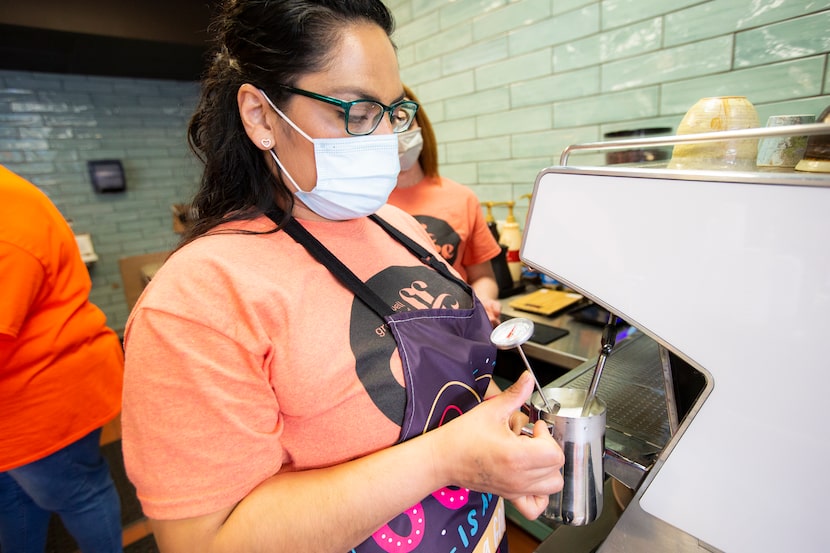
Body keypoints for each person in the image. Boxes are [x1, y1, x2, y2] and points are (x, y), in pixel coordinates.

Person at [121, 2, 565, 552]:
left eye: (392, 112)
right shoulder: (199, 300)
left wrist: (506, 437)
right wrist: (447, 458)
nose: (384, 140)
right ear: (260, 116)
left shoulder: (399, 225)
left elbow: (458, 371)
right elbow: (204, 543)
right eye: (355, 110)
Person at [0, 164, 124, 553]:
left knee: (76, 491)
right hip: (26, 390)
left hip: (40, 392)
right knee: (16, 496)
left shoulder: (8, 212)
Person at [388, 85, 503, 326]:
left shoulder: (462, 198)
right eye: (385, 123)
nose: (396, 133)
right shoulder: (365, 208)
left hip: (458, 335)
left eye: (402, 119)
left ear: (420, 124)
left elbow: (483, 277)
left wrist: (482, 304)